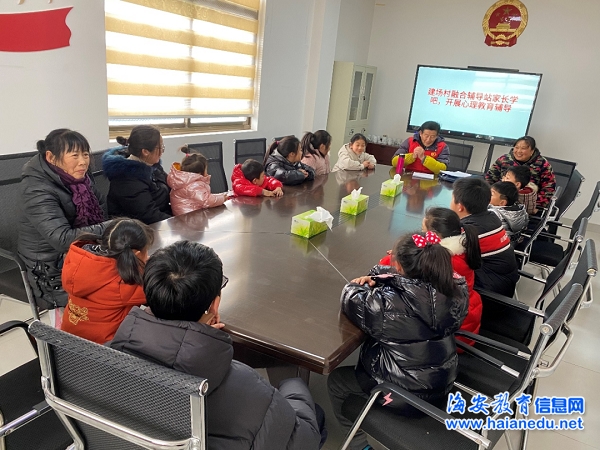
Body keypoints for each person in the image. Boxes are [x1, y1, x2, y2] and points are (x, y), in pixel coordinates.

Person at [110, 241, 325, 450]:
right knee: (314, 412)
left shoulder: (103, 356)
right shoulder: (250, 389)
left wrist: (195, 336)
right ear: (214, 304)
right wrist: (293, 385)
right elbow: (306, 440)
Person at [328, 232, 469, 450]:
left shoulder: (389, 305)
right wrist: (380, 276)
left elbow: (350, 297)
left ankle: (358, 445)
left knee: (336, 382)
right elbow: (406, 284)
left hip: (404, 396)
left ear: (400, 266)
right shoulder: (452, 290)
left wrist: (360, 284)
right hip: (441, 384)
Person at [18, 129, 109, 324]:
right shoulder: (36, 188)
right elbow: (61, 239)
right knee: (107, 297)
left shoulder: (82, 180)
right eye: (75, 155)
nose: (83, 162)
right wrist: (113, 227)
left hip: (83, 254)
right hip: (50, 268)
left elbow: (102, 216)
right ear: (51, 157)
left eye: (85, 154)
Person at [378, 207, 482, 344]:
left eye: (423, 231)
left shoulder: (442, 261)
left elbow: (387, 266)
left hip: (449, 336)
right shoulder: (462, 249)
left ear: (434, 236)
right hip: (462, 319)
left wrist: (404, 254)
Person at [61, 218, 152, 344]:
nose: (147, 257)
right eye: (146, 253)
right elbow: (156, 289)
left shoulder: (81, 264)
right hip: (103, 349)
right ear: (136, 255)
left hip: (67, 342)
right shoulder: (123, 284)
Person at [450, 177, 519, 297]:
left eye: (452, 198)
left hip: (489, 293)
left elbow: (441, 255)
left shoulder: (470, 232)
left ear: (460, 206)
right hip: (503, 282)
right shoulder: (491, 217)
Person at [102, 125, 172, 224]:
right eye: (160, 147)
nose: (162, 151)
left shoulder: (151, 165)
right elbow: (149, 216)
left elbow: (170, 187)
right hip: (137, 229)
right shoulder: (126, 179)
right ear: (145, 152)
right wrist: (180, 221)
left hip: (160, 221)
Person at [485, 136, 556, 211]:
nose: (519, 151)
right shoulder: (504, 159)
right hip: (498, 202)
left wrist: (534, 206)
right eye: (516, 147)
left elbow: (549, 189)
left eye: (523, 148)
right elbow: (489, 178)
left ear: (532, 151)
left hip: (527, 205)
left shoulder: (542, 164)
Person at [167, 147, 229, 215]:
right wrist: (222, 198)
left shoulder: (182, 182)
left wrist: (220, 195)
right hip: (191, 218)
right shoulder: (194, 186)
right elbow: (206, 200)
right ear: (200, 172)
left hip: (183, 216)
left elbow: (204, 196)